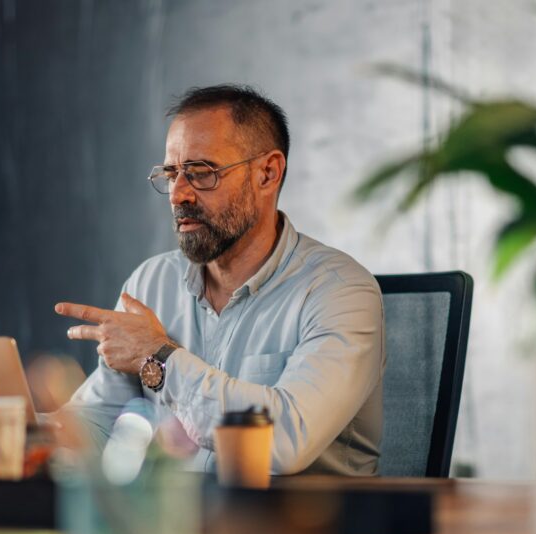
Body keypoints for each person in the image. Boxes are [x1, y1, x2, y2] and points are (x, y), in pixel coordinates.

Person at [55, 84, 383, 475]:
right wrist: (16, 430)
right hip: (179, 526)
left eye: (200, 173)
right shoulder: (151, 283)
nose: (178, 195)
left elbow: (284, 440)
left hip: (300, 528)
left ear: (268, 173)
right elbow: (100, 424)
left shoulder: (340, 292)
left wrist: (158, 358)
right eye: (171, 174)